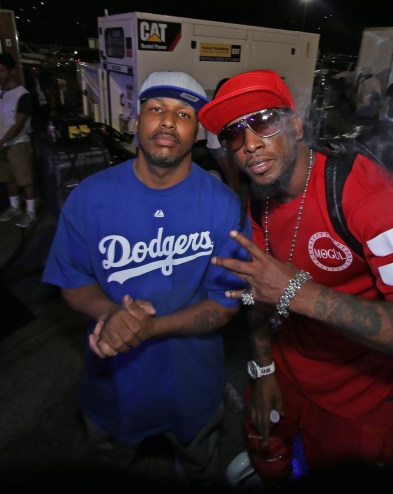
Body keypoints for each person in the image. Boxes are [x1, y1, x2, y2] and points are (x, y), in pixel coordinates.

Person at [198, 69, 393, 484]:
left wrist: (299, 293)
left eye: (264, 121)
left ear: (296, 126)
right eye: (234, 133)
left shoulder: (365, 194)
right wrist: (264, 370)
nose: (249, 143)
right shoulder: (259, 199)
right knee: (265, 449)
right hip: (285, 369)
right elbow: (260, 292)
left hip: (356, 395)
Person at [41, 71, 251, 486]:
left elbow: (225, 304)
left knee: (199, 468)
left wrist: (152, 327)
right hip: (113, 384)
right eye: (156, 109)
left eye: (184, 114)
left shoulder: (223, 205)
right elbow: (72, 279)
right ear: (136, 122)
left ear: (197, 133)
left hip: (192, 384)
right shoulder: (89, 196)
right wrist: (111, 315)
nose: (168, 121)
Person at [0, 52, 36, 228]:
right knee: (8, 178)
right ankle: (14, 207)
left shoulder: (23, 95)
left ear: (12, 71)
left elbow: (18, 125)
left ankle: (31, 212)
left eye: (1, 70)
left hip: (18, 143)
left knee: (25, 179)